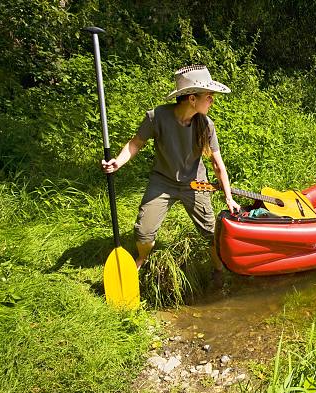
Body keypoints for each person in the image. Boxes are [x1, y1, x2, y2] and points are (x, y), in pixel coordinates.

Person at [101, 65, 241, 275]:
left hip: (196, 184)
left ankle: (219, 270)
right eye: (208, 96)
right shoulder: (157, 117)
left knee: (210, 233)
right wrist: (117, 163)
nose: (212, 100)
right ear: (192, 98)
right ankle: (142, 258)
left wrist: (229, 198)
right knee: (144, 233)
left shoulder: (206, 125)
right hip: (163, 182)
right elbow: (136, 143)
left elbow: (217, 164)